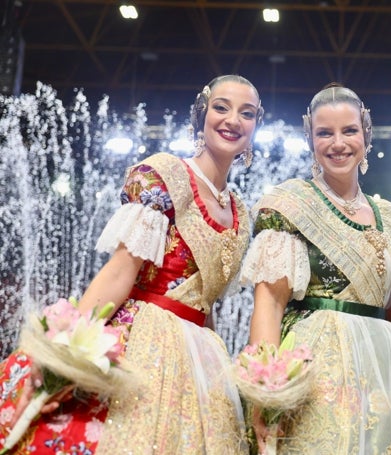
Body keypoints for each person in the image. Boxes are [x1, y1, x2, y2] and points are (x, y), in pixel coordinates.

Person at [0, 74, 263, 454]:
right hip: (144, 343)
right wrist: (68, 351)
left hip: (202, 357)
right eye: (221, 107)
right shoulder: (163, 176)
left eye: (247, 113)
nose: (232, 120)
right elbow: (120, 272)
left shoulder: (239, 210)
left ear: (255, 126)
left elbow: (206, 303)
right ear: (202, 114)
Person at [239, 83, 391, 454]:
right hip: (317, 364)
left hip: (385, 368)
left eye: (349, 131)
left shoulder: (387, 215)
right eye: (325, 133)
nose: (338, 143)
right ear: (310, 139)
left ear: (366, 136)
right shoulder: (290, 204)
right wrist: (265, 391)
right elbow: (270, 306)